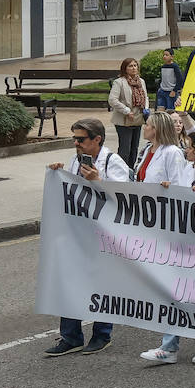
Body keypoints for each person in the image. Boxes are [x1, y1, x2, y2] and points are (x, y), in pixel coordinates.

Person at [139, 130, 195, 366]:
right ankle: (169, 347)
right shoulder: (188, 171)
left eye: (190, 147)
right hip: (184, 245)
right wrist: (171, 189)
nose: (186, 150)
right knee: (175, 293)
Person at [44, 119, 129, 357]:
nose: (76, 143)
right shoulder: (75, 161)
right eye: (74, 138)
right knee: (69, 283)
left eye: (80, 139)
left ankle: (102, 334)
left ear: (97, 139)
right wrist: (57, 174)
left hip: (103, 235)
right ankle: (71, 337)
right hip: (77, 233)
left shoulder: (113, 162)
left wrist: (98, 181)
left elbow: (125, 199)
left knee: (101, 284)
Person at [106, 57, 149, 168]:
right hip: (124, 120)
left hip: (138, 118)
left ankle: (130, 170)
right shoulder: (119, 82)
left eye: (135, 65)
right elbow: (112, 100)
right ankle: (120, 170)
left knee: (134, 148)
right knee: (125, 149)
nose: (133, 68)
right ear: (125, 69)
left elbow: (146, 97)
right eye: (130, 66)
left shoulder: (141, 81)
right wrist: (126, 111)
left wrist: (146, 109)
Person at [133, 112, 185, 186]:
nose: (144, 128)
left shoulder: (173, 152)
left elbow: (178, 184)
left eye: (147, 125)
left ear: (156, 129)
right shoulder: (148, 149)